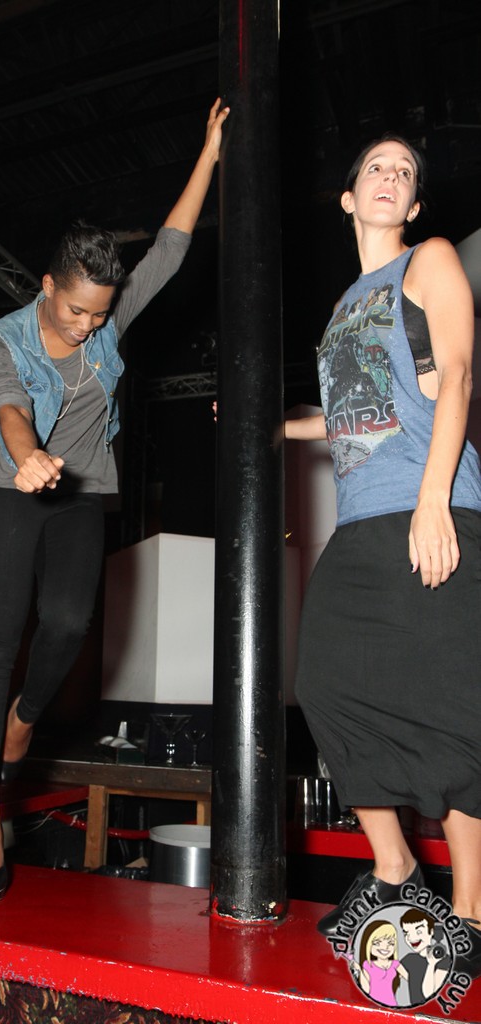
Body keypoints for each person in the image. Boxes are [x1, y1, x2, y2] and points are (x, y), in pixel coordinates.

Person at [0, 99, 229, 901]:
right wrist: (27, 457)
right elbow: (9, 407)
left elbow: (170, 248)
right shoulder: (1, 337)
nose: (86, 326)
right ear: (47, 286)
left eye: (100, 313)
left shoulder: (106, 324)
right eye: (74, 309)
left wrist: (208, 152)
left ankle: (25, 715)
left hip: (80, 494)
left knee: (70, 623)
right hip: (9, 491)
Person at [287, 134, 481, 979]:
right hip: (362, 521)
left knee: (453, 711)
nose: (390, 176)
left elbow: (458, 373)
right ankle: (395, 865)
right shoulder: (340, 309)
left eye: (404, 172)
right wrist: (268, 426)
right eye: (376, 166)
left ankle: (470, 911)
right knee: (322, 684)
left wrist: (434, 500)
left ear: (413, 204)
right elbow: (348, 416)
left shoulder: (428, 260)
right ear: (348, 197)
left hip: (431, 503)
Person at [399, 908, 451, 1004]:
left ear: (431, 931)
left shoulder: (444, 960)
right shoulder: (409, 959)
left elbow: (429, 994)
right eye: (406, 933)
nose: (411, 938)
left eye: (418, 932)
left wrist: (431, 964)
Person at [351, 920, 407, 1006]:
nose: (385, 947)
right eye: (377, 943)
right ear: (368, 944)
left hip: (391, 1004)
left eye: (391, 943)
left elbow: (411, 979)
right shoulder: (368, 965)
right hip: (371, 1004)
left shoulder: (395, 964)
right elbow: (366, 989)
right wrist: (359, 970)